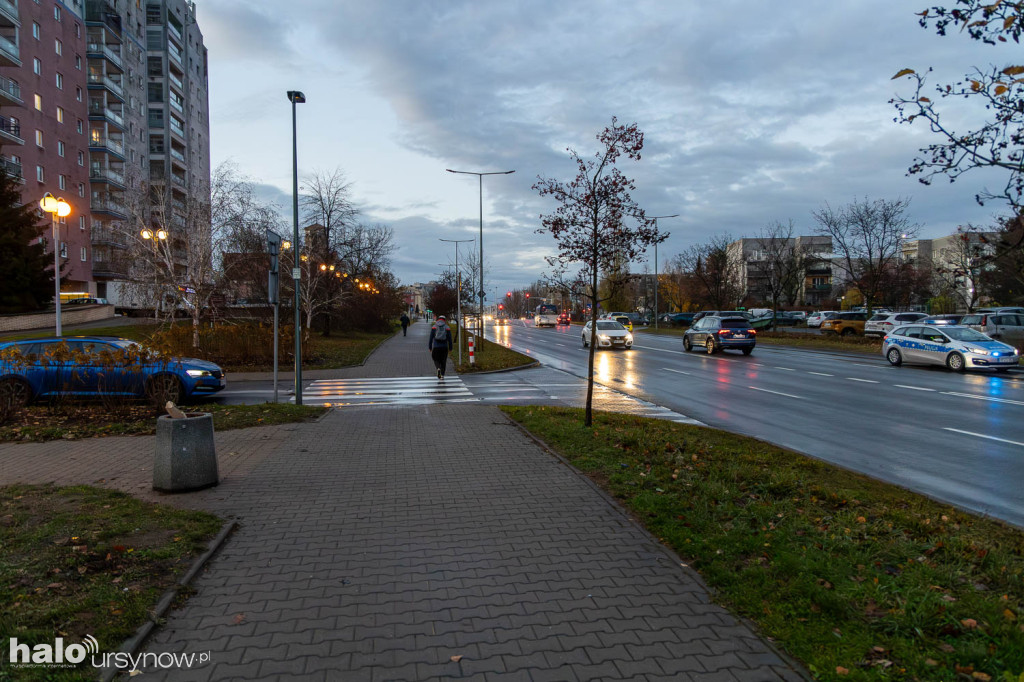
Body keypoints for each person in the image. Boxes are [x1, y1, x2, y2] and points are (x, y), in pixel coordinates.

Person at [428, 315, 453, 380]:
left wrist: (430, 347)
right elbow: (450, 339)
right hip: (444, 347)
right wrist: (450, 348)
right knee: (443, 361)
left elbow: (431, 338)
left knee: (435, 359)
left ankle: (438, 368)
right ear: (444, 320)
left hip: (436, 347)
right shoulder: (447, 327)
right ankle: (442, 375)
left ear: (438, 319)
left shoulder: (434, 327)